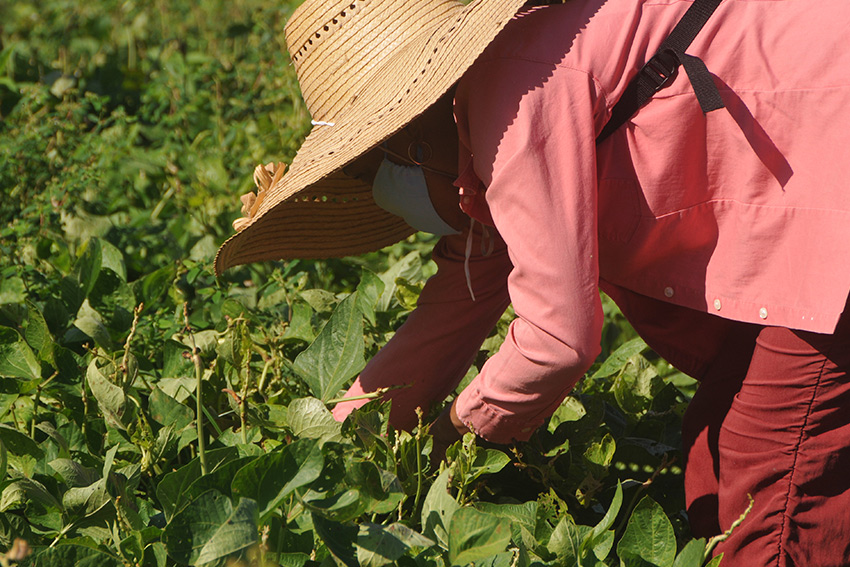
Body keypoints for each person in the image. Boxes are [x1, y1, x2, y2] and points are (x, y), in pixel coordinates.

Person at [215, 0, 850, 564]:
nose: (399, 167)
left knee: (769, 476)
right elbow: (447, 317)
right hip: (815, 181)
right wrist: (343, 438)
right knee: (718, 450)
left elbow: (558, 339)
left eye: (387, 152)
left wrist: (449, 445)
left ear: (412, 123)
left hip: (830, 175)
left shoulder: (514, 97)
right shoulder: (480, 127)